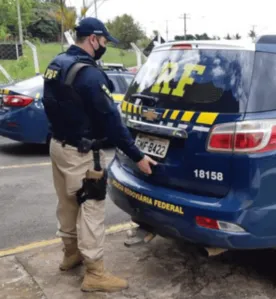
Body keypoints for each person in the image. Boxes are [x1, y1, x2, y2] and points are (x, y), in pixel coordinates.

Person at [42, 17, 157, 293]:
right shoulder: (90, 75)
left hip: (58, 147)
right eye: (104, 41)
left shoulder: (56, 64)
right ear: (93, 39)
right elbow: (111, 122)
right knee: (91, 209)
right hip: (84, 154)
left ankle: (71, 254)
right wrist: (138, 156)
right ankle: (95, 272)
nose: (104, 46)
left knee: (67, 203)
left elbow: (50, 104)